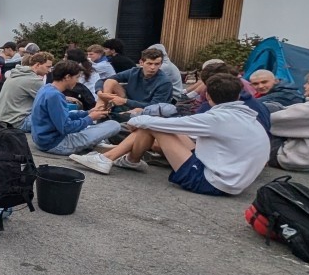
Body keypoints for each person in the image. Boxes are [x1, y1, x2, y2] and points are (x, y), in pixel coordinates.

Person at [70, 73, 269, 196]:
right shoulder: (247, 116)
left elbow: (172, 124)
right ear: (237, 95)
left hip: (213, 182)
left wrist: (135, 120)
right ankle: (128, 160)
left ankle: (108, 158)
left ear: (207, 96)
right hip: (233, 175)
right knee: (157, 125)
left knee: (155, 126)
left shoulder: (219, 119)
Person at [30, 60, 122, 155]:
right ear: (67, 77)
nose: (77, 81)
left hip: (43, 140)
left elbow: (62, 116)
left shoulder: (46, 88)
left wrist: (88, 113)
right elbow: (66, 128)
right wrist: (91, 118)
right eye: (77, 77)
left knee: (86, 122)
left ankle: (94, 143)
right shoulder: (55, 96)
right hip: (57, 144)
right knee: (113, 124)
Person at [95, 48, 173, 115]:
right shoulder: (134, 72)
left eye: (157, 64)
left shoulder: (164, 82)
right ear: (141, 63)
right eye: (149, 63)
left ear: (161, 64)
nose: (153, 67)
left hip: (145, 109)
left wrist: (125, 101)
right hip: (127, 101)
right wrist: (99, 92)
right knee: (110, 81)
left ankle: (103, 113)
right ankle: (100, 110)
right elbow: (103, 80)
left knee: (138, 111)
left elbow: (154, 106)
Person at [0, 52, 52, 130]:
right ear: (37, 65)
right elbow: (49, 102)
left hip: (0, 118)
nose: (50, 70)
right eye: (48, 67)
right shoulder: (34, 80)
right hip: (16, 122)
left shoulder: (16, 72)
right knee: (57, 119)